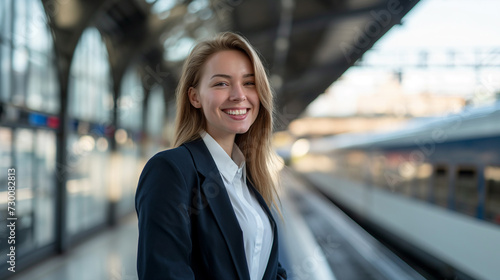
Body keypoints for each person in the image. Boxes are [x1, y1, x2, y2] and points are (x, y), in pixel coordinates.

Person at [135, 32, 287, 280]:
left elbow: (270, 270)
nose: (239, 95)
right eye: (221, 83)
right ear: (194, 97)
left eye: (249, 83)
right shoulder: (170, 170)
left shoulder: (247, 176)